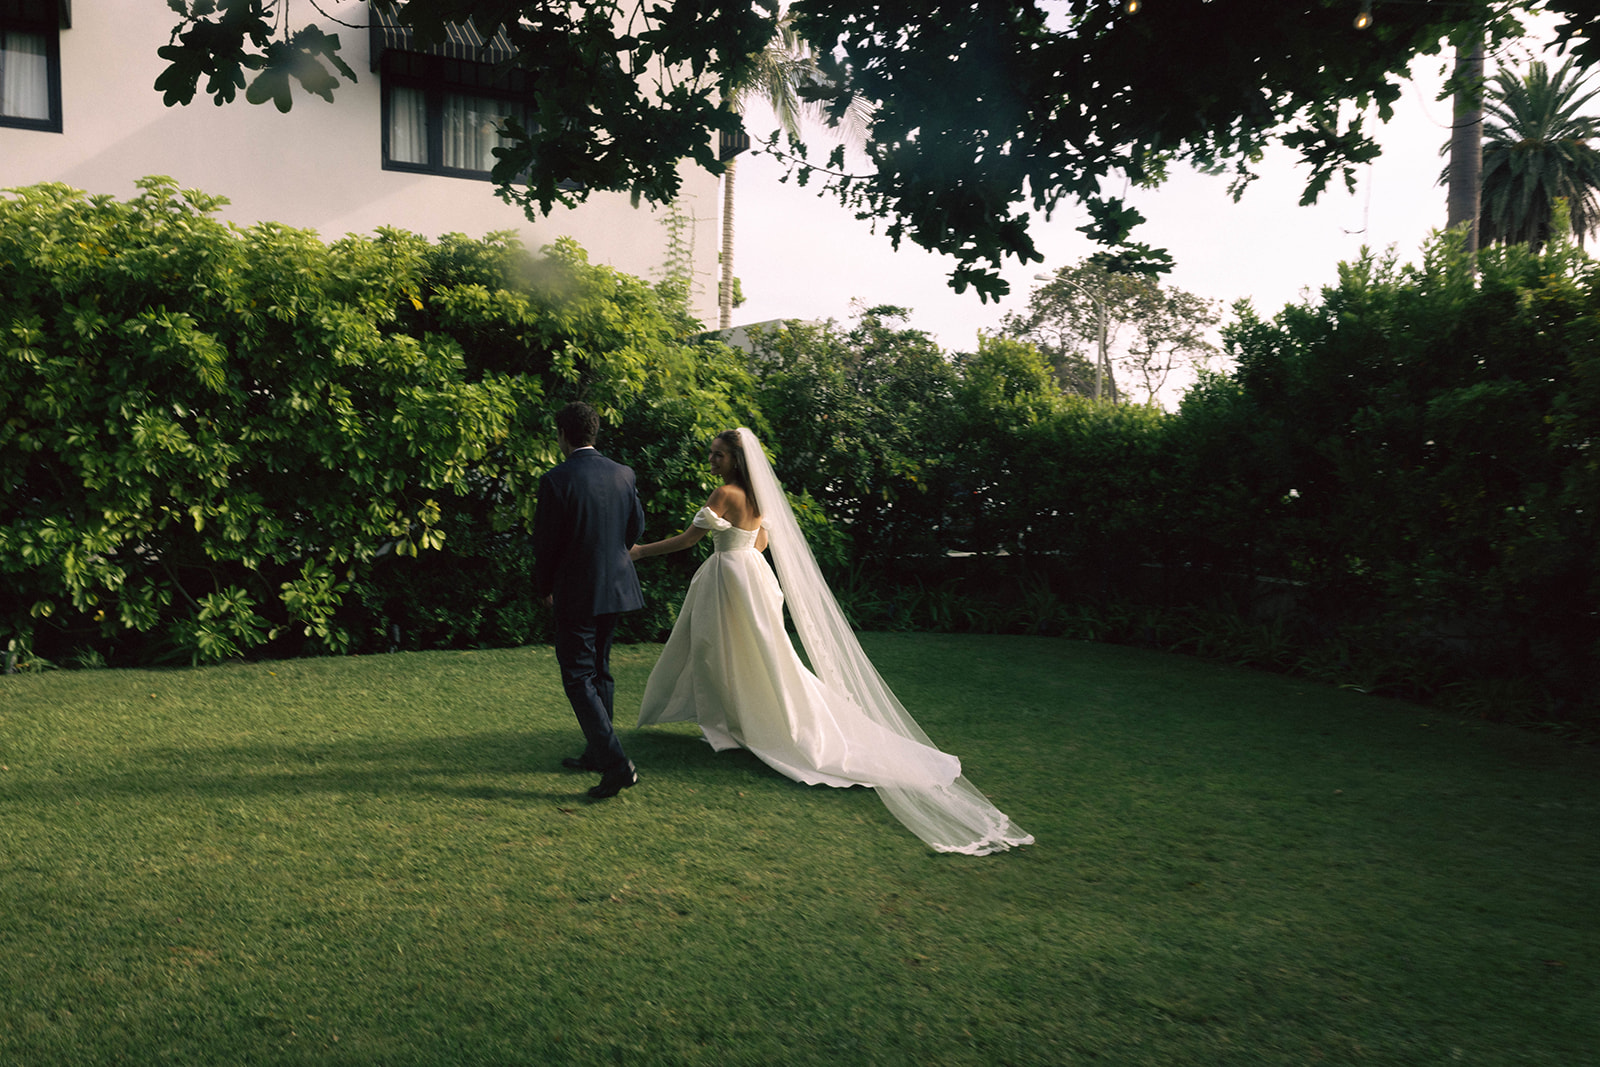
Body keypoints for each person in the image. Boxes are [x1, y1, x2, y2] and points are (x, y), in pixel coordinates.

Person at [631, 429, 1032, 855]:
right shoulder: (758, 499)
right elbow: (761, 543)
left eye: (718, 455)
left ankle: (745, 722)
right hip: (751, 575)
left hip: (729, 575)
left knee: (728, 653)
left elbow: (687, 541)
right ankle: (741, 721)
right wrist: (740, 553)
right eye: (712, 455)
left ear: (735, 460)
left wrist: (639, 552)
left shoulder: (724, 493)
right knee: (762, 655)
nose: (712, 460)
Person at [532, 401, 645, 800]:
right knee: (600, 670)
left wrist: (544, 586)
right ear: (594, 433)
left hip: (577, 590)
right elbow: (635, 528)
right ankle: (598, 754)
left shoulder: (555, 480)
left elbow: (545, 544)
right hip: (615, 587)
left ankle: (616, 765)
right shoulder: (623, 473)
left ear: (562, 434)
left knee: (579, 677)